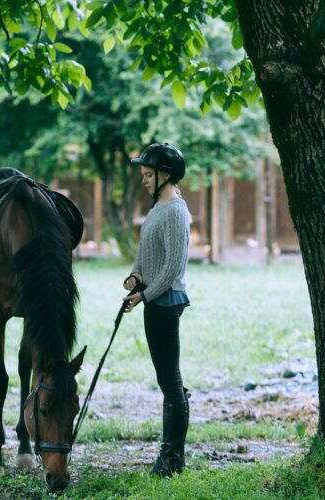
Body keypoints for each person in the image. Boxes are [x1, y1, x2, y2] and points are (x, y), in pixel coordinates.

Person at [122, 142, 192, 477]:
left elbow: (172, 268)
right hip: (154, 298)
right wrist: (136, 274)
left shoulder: (176, 211)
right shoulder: (156, 208)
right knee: (169, 380)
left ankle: (170, 459)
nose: (145, 180)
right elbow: (145, 250)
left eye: (149, 175)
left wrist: (143, 296)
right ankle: (173, 456)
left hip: (166, 300)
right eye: (144, 175)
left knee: (170, 381)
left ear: (166, 174)